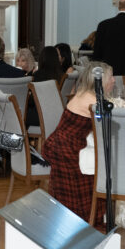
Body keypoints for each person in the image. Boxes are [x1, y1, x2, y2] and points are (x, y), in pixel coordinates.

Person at [42, 61, 112, 223]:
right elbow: (107, 127)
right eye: (111, 77)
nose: (114, 80)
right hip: (67, 150)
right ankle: (90, 215)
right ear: (100, 81)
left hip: (58, 144)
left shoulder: (83, 93)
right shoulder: (93, 102)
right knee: (103, 161)